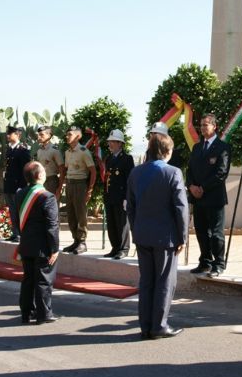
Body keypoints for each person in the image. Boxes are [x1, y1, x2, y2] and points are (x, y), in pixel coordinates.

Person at [127, 132, 189, 339]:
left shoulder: (135, 173)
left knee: (146, 281)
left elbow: (131, 207)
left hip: (143, 234)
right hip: (165, 236)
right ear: (166, 151)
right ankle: (159, 325)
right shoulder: (173, 172)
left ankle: (145, 325)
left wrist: (136, 230)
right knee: (164, 281)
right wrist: (183, 237)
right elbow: (181, 208)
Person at [11, 161, 60, 325]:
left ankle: (26, 313)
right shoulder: (47, 196)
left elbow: (16, 220)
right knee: (43, 280)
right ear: (39, 175)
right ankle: (44, 313)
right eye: (44, 171)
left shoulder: (19, 194)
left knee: (28, 279)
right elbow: (52, 225)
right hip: (43, 246)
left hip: (26, 243)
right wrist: (54, 248)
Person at [186, 114, 231, 277]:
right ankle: (205, 261)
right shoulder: (197, 148)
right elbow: (189, 170)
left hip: (214, 197)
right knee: (201, 231)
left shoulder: (223, 147)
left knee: (216, 233)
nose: (203, 128)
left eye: (206, 125)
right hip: (197, 198)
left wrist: (203, 188)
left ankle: (219, 263)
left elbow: (221, 173)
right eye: (201, 125)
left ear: (214, 126)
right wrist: (191, 186)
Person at [63, 125, 96, 254]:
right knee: (71, 214)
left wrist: (90, 190)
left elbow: (93, 171)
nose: (67, 136)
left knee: (81, 214)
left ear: (78, 136)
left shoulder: (83, 151)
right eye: (67, 134)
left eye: (70, 134)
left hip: (80, 185)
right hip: (70, 185)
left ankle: (82, 242)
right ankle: (75, 241)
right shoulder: (67, 152)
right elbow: (67, 169)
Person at [103, 129, 134, 259]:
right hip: (110, 196)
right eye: (109, 142)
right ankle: (115, 247)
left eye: (113, 142)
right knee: (111, 223)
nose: (110, 144)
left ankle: (124, 248)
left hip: (121, 197)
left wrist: (127, 197)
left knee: (122, 223)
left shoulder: (127, 159)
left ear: (120, 144)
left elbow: (130, 179)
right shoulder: (109, 158)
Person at [3, 125, 31, 242]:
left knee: (19, 210)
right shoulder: (10, 149)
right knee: (12, 210)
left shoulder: (23, 150)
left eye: (10, 134)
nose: (8, 136)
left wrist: (22, 186)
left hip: (18, 186)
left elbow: (25, 170)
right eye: (7, 133)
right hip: (9, 185)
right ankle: (15, 232)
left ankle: (20, 234)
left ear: (18, 135)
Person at [35, 125, 65, 196]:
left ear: (49, 135)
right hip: (41, 181)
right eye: (38, 135)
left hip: (52, 181)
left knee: (52, 205)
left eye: (42, 135)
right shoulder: (39, 151)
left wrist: (59, 188)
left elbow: (62, 169)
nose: (39, 137)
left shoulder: (54, 150)